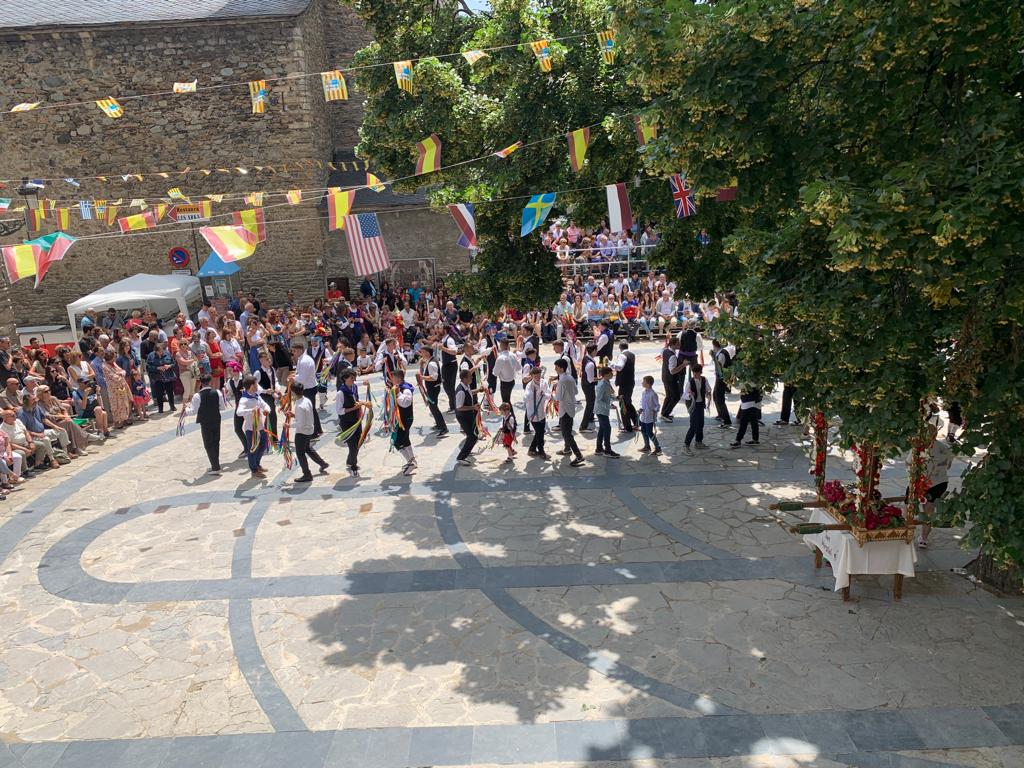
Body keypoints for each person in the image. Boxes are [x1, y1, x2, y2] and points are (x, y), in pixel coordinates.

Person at [918, 426, 954, 548]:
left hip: (933, 482)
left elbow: (908, 464)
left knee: (925, 507)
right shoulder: (942, 448)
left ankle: (921, 536)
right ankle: (922, 536)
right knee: (927, 509)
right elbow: (949, 465)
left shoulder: (922, 447)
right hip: (931, 482)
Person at [185, 375, 228, 474]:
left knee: (208, 444)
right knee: (216, 441)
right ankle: (215, 464)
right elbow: (222, 407)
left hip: (205, 421)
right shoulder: (217, 392)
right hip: (216, 419)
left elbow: (193, 411)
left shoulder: (197, 396)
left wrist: (186, 409)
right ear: (210, 382)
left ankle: (215, 467)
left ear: (200, 382)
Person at [288, 382, 329, 483]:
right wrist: (294, 415)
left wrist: (288, 425)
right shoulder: (306, 400)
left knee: (300, 453)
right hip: (309, 430)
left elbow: (300, 423)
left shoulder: (299, 406)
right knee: (308, 448)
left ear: (293, 392)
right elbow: (305, 415)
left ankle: (307, 474)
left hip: (302, 432)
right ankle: (322, 463)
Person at [236, 375, 271, 478]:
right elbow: (239, 412)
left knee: (263, 445)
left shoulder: (256, 395)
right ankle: (254, 469)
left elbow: (265, 405)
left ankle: (257, 463)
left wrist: (267, 410)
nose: (257, 386)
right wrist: (252, 411)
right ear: (251, 386)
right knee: (253, 449)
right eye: (256, 384)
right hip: (250, 429)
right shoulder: (244, 399)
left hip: (260, 426)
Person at [335, 369, 367, 476]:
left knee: (358, 443)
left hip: (357, 420)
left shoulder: (354, 387)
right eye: (351, 378)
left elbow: (356, 398)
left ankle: (350, 461)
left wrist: (360, 410)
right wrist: (354, 409)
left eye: (354, 378)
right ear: (345, 379)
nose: (354, 380)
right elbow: (339, 411)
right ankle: (353, 466)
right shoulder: (340, 393)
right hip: (347, 423)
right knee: (352, 445)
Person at [553, 359, 585, 467]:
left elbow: (558, 397)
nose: (555, 369)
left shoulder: (562, 380)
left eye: (556, 367)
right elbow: (576, 391)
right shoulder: (570, 377)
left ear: (561, 368)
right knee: (566, 430)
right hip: (570, 407)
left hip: (565, 409)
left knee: (567, 433)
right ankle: (567, 449)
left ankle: (579, 455)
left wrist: (552, 393)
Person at [291, 340, 321, 438]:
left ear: (300, 350)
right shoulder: (301, 359)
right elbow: (299, 373)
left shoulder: (304, 361)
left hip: (309, 388)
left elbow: (302, 378)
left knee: (310, 410)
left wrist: (293, 378)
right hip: (309, 386)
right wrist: (295, 375)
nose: (293, 353)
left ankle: (315, 432)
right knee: (312, 409)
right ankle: (318, 429)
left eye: (294, 351)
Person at [390, 370, 417, 476]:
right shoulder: (399, 388)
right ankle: (412, 460)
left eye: (393, 378)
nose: (392, 380)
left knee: (397, 442)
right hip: (402, 419)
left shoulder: (406, 389)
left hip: (405, 419)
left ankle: (410, 463)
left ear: (399, 379)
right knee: (405, 440)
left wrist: (397, 394)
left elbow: (406, 403)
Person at [416, 346, 448, 435]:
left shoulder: (431, 363)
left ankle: (443, 427)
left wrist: (422, 377)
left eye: (422, 352)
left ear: (427, 353)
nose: (421, 354)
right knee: (432, 406)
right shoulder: (431, 361)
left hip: (433, 388)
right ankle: (438, 424)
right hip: (433, 387)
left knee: (434, 408)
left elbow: (434, 377)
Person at [454, 368, 482, 466]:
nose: (472, 377)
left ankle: (467, 451)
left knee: (474, 434)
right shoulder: (461, 391)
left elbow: (470, 392)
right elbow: (459, 407)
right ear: (465, 378)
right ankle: (461, 457)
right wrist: (473, 407)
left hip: (468, 415)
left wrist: (478, 390)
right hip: (463, 416)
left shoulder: (466, 386)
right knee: (472, 436)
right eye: (470, 376)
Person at [682, 364, 710, 455]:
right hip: (693, 405)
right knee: (693, 425)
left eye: (696, 373)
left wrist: (708, 394)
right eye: (693, 373)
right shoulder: (690, 382)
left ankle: (698, 442)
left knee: (701, 423)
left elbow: (708, 389)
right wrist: (690, 394)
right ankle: (686, 445)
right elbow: (684, 395)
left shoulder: (704, 380)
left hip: (701, 404)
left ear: (700, 372)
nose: (695, 375)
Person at [523, 367, 550, 459]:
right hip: (532, 414)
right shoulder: (529, 386)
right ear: (531, 376)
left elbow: (548, 395)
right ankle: (541, 450)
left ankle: (532, 449)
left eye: (539, 375)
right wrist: (533, 393)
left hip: (541, 412)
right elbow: (525, 398)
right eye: (535, 376)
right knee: (540, 432)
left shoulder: (544, 382)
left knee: (540, 432)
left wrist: (543, 394)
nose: (538, 378)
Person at [101, 350, 133, 428]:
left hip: (122, 386)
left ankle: (124, 419)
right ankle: (116, 422)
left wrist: (121, 373)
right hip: (113, 389)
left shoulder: (114, 364)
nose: (115, 359)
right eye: (113, 358)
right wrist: (120, 374)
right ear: (110, 358)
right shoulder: (105, 366)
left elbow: (123, 371)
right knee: (116, 405)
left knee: (124, 403)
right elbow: (114, 377)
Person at [611, 342, 637, 432]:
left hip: (624, 383)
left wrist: (610, 364)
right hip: (630, 381)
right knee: (628, 403)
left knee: (623, 404)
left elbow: (619, 367)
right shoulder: (632, 355)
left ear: (620, 347)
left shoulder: (622, 355)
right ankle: (636, 422)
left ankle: (627, 426)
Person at [146, 342, 177, 413]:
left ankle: (172, 406)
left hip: (168, 376)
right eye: (159, 351)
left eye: (162, 351)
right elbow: (148, 367)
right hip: (157, 377)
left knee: (170, 392)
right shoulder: (151, 356)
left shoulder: (167, 353)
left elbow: (174, 363)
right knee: (159, 393)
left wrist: (169, 366)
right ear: (155, 351)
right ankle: (160, 408)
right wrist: (157, 368)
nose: (161, 353)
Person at [594, 366, 618, 457]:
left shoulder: (606, 382)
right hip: (601, 410)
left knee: (602, 428)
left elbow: (609, 395)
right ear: (607, 374)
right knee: (607, 428)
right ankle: (607, 450)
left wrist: (616, 398)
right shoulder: (602, 385)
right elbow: (599, 400)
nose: (612, 374)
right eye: (611, 373)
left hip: (603, 409)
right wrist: (609, 406)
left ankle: (599, 448)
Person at [638, 375, 663, 455]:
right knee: (643, 430)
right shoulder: (643, 392)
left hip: (649, 417)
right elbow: (641, 402)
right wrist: (640, 408)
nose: (642, 383)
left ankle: (658, 447)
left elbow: (657, 405)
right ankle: (647, 446)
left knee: (649, 432)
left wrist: (654, 411)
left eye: (643, 382)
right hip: (643, 416)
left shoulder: (653, 394)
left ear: (648, 384)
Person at [711, 340, 732, 428]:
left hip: (722, 378)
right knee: (715, 396)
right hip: (719, 377)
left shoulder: (722, 354)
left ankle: (726, 420)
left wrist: (713, 357)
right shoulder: (721, 352)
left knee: (719, 398)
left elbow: (719, 367)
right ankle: (721, 415)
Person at [578, 344, 597, 433]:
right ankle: (583, 426)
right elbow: (590, 380)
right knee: (590, 404)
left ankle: (590, 417)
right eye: (596, 350)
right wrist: (600, 378)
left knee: (592, 402)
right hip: (588, 386)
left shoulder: (586, 358)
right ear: (593, 351)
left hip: (585, 384)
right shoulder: (590, 364)